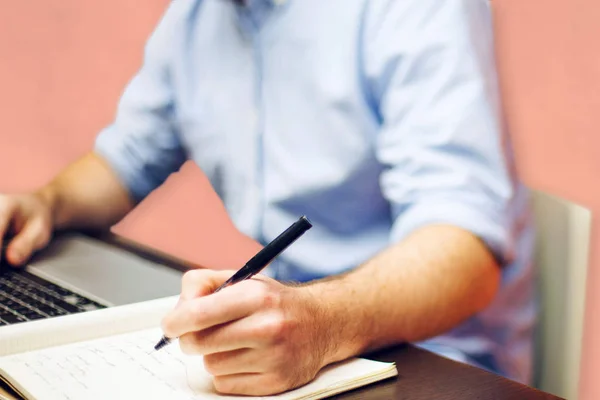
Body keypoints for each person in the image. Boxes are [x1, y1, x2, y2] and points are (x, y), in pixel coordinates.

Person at [0, 0, 535, 396]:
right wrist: (46, 202)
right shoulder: (196, 18)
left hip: (430, 359)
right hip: (289, 341)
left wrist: (322, 325)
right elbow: (125, 161)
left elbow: (465, 251)